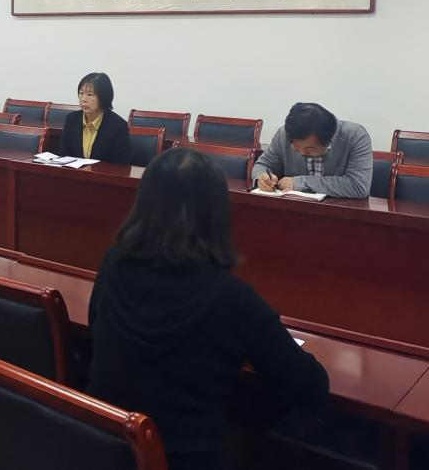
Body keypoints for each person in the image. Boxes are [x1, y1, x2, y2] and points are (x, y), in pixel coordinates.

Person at [87, 148, 329, 470]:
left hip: (103, 447)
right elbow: (311, 385)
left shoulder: (113, 263)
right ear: (216, 214)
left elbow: (94, 325)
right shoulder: (231, 297)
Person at [252, 102, 372, 198]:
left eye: (309, 149)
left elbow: (358, 186)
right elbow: (262, 165)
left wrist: (300, 182)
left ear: (328, 140)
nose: (302, 153)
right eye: (296, 147)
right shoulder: (283, 134)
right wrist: (262, 179)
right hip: (295, 209)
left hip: (342, 211)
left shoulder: (355, 136)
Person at [57, 71, 131, 163]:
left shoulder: (118, 126)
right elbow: (63, 156)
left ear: (104, 97)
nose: (84, 99)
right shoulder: (71, 119)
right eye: (81, 93)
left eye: (90, 94)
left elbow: (121, 165)